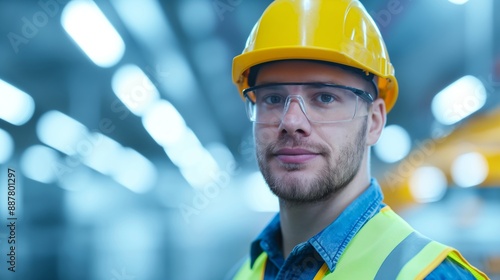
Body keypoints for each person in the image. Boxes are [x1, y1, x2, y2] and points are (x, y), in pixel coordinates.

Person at [229, 0, 489, 279]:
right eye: (273, 98)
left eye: (324, 97)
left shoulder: (431, 275)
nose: (291, 122)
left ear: (374, 122)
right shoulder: (244, 273)